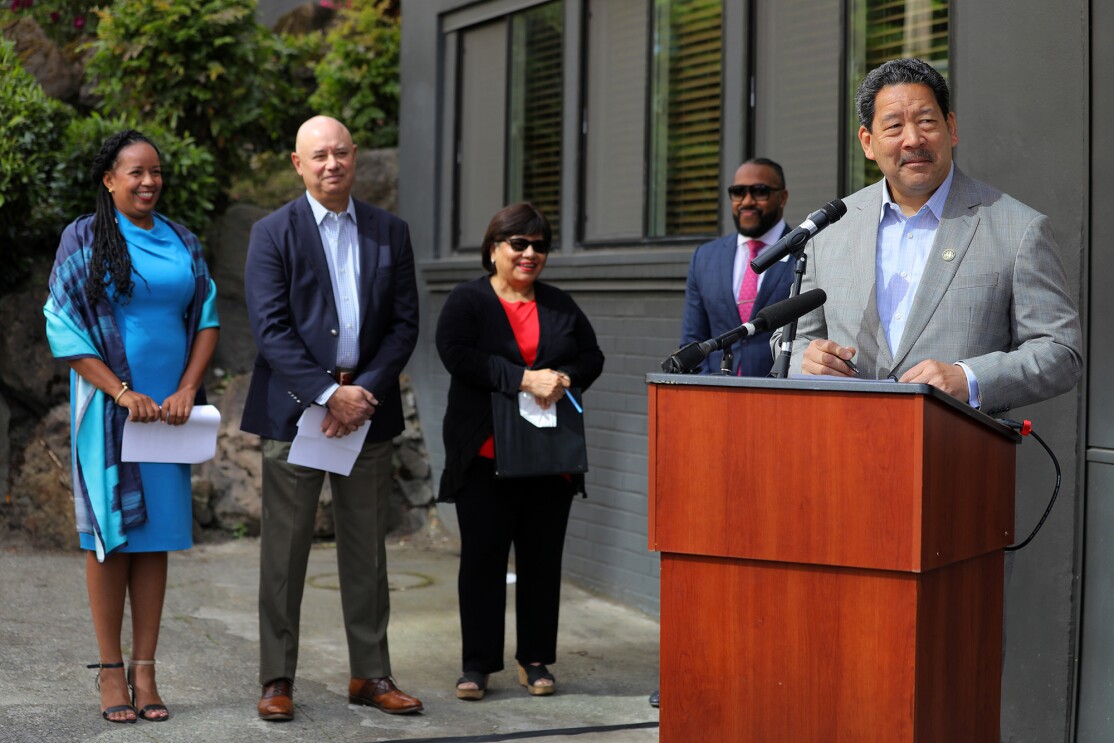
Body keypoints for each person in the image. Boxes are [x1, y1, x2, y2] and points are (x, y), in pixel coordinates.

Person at [241, 115, 422, 721]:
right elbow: (270, 328)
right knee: (285, 552)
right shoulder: (273, 232)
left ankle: (370, 674)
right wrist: (325, 394)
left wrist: (361, 392)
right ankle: (276, 679)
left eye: (341, 152)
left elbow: (404, 324)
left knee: (368, 551)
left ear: (355, 156)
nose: (332, 164)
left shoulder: (390, 231)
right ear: (298, 164)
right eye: (318, 155)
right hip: (295, 413)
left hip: (366, 410)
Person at [44, 130, 220, 723]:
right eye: (136, 172)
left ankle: (146, 671)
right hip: (108, 409)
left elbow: (207, 318)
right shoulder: (84, 239)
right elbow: (62, 322)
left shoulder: (182, 239)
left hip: (168, 415)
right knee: (111, 537)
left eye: (156, 172)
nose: (149, 182)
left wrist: (187, 388)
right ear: (109, 179)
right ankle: (110, 671)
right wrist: (121, 391)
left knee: (156, 537)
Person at [790, 58, 1082, 411]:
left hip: (954, 441)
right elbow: (792, 340)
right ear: (867, 142)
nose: (914, 139)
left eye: (926, 121)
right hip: (842, 435)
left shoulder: (1018, 229)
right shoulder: (830, 228)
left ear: (951, 128)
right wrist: (805, 361)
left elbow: (1060, 353)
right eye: (894, 126)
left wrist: (969, 378)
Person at [435, 203, 605, 700]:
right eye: (519, 243)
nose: (530, 253)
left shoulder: (559, 304)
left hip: (548, 457)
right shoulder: (468, 300)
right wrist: (524, 379)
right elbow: (456, 354)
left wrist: (565, 377)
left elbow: (592, 355)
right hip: (484, 455)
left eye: (539, 245)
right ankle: (477, 665)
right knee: (482, 561)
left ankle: (535, 659)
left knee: (542, 561)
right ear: (494, 249)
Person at [680, 157, 795, 376]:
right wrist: (709, 389)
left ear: (782, 198)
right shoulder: (704, 257)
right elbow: (692, 341)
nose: (747, 201)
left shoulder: (807, 251)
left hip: (780, 391)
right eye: (738, 192)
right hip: (716, 391)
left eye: (759, 191)